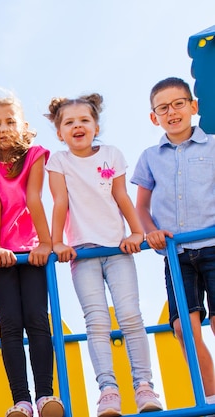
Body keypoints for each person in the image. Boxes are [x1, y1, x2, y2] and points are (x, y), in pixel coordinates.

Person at [46, 93, 163, 417]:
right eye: (69, 122)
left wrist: (136, 232)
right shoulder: (59, 161)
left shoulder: (111, 154)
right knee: (96, 321)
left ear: (96, 125)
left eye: (84, 120)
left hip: (116, 249)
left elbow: (122, 196)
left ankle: (144, 387)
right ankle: (108, 391)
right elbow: (60, 202)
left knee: (130, 316)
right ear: (60, 133)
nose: (77, 126)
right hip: (82, 254)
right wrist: (57, 242)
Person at [0, 95, 63, 417]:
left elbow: (32, 197)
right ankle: (21, 400)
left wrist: (46, 244)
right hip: (0, 253)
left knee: (37, 319)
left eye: (10, 122)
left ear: (22, 126)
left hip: (32, 251)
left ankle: (45, 396)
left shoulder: (35, 155)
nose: (4, 128)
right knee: (9, 323)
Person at [131, 76, 215, 409]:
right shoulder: (151, 157)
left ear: (193, 107)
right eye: (163, 108)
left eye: (178, 103)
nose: (172, 111)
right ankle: (211, 397)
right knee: (184, 328)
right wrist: (150, 230)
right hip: (177, 253)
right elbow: (141, 206)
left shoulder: (212, 146)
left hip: (212, 245)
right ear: (154, 117)